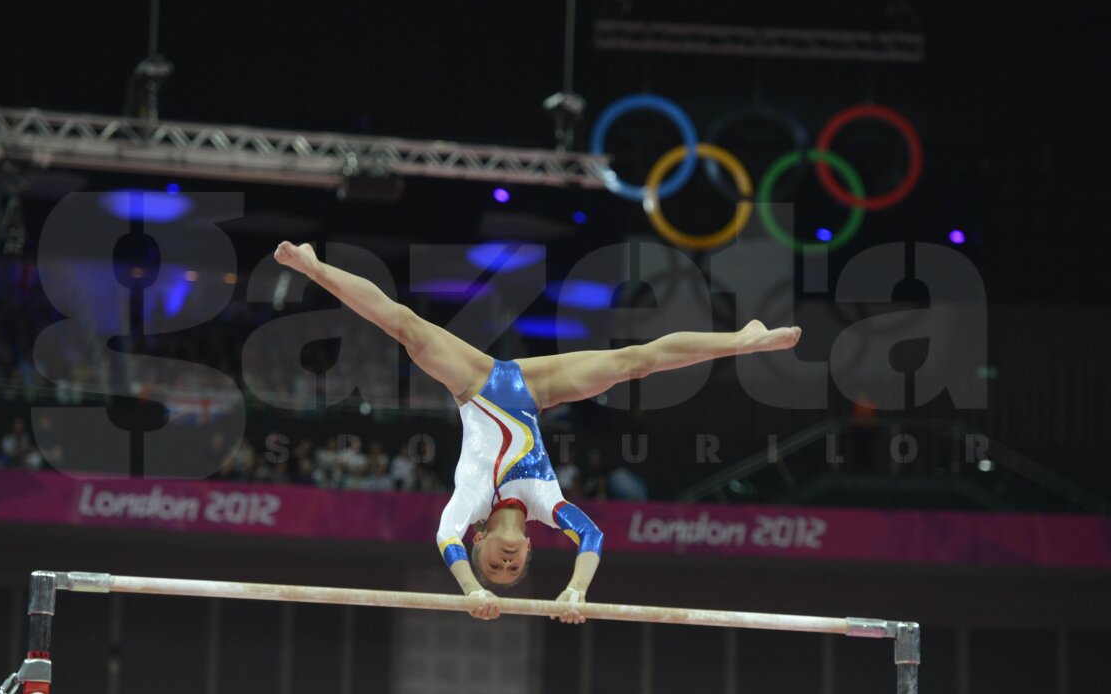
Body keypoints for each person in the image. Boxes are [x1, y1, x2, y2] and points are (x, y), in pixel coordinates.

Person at [274, 241, 800, 622]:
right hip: (531, 391)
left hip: (476, 385)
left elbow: (443, 537)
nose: (503, 566)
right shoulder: (546, 503)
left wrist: (470, 593)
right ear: (528, 548)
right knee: (633, 362)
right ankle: (742, 342)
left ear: (479, 543)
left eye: (491, 568)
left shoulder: (472, 502)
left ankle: (314, 266)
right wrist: (575, 590)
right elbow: (591, 536)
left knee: (405, 327)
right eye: (512, 570)